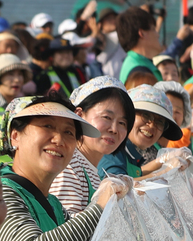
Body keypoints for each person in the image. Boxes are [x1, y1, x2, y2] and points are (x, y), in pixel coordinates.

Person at [0, 96, 124, 241]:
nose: (59, 140)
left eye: (68, 132)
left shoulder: (52, 203)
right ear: (15, 136)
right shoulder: (1, 193)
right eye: (47, 126)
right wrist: (100, 206)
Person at [54, 76, 134, 212]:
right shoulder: (68, 165)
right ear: (79, 114)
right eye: (106, 118)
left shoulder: (90, 169)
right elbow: (66, 229)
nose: (114, 129)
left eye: (122, 123)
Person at [117, 8, 162, 86]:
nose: (158, 35)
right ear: (142, 34)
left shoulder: (136, 64)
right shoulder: (140, 73)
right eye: (153, 29)